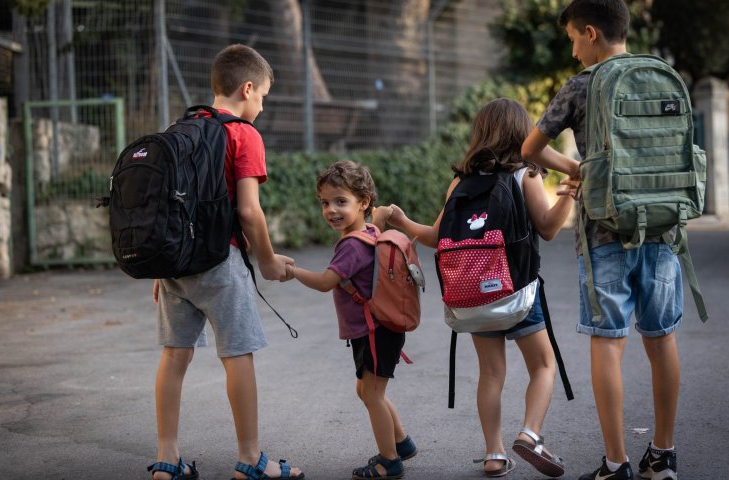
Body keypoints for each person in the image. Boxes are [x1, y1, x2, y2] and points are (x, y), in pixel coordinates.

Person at [520, 1, 683, 479]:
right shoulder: (661, 74)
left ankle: (616, 463)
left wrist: (576, 167)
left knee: (608, 343)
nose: (572, 50)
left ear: (591, 32)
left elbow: (529, 148)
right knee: (663, 340)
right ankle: (664, 456)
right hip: (662, 229)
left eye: (573, 38)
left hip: (602, 235)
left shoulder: (582, 85)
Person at [386, 98, 578, 478]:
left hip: (472, 297)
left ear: (481, 134)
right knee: (542, 365)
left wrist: (402, 220)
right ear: (522, 134)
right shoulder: (527, 175)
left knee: (491, 373)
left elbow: (435, 237)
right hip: (518, 293)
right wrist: (569, 195)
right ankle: (530, 434)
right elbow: (549, 229)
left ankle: (494, 454)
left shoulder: (459, 184)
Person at [147, 44, 304, 480]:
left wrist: (164, 265)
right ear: (247, 88)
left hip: (176, 264)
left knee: (174, 358)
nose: (262, 105)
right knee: (238, 356)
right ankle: (251, 459)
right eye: (264, 97)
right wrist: (269, 262)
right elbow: (250, 211)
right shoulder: (243, 134)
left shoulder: (180, 127)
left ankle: (166, 458)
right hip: (221, 261)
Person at [284, 160, 417, 480]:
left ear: (363, 202)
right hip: (379, 328)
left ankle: (389, 461)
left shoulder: (351, 246)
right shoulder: (370, 231)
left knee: (372, 394)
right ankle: (401, 443)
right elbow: (379, 221)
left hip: (372, 330)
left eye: (341, 201)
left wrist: (291, 271)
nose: (331, 210)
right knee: (369, 391)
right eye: (325, 203)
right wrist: (381, 215)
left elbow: (324, 282)